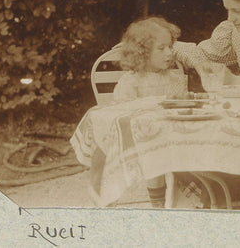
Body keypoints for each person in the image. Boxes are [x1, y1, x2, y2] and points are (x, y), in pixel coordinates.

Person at [70, 16, 186, 208]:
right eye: (161, 48)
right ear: (142, 52)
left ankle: (163, 202)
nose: (169, 53)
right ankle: (109, 199)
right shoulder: (131, 81)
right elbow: (122, 112)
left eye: (170, 47)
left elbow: (179, 108)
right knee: (145, 148)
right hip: (135, 139)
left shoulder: (174, 79)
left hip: (166, 138)